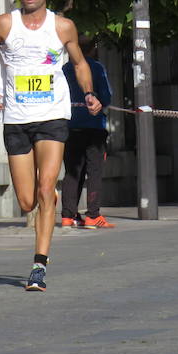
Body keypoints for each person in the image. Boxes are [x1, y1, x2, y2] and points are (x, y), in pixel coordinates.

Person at [0, 0, 101, 291]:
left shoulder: (62, 27)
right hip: (16, 119)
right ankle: (46, 197)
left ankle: (38, 266)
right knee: (27, 201)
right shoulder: (5, 24)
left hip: (52, 117)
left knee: (45, 191)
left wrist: (88, 93)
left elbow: (80, 62)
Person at [61, 35, 115, 229]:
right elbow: (107, 97)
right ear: (92, 48)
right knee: (94, 171)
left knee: (72, 172)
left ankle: (68, 216)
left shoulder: (65, 70)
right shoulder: (97, 68)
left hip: (70, 126)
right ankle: (93, 215)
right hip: (94, 127)